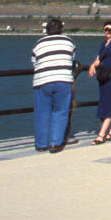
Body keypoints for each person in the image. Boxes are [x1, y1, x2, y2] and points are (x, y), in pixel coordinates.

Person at [31, 18, 75, 153]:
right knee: (60, 111)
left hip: (42, 80)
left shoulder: (39, 43)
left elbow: (34, 61)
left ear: (47, 30)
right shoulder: (69, 42)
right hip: (63, 79)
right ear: (61, 29)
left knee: (42, 112)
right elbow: (72, 58)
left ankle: (41, 144)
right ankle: (55, 143)